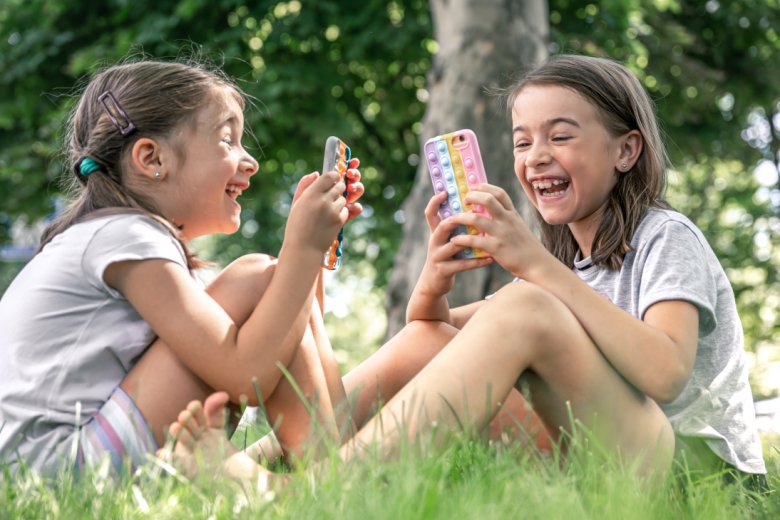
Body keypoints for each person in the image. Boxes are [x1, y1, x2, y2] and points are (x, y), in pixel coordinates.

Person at [163, 54, 767, 491]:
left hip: (690, 479)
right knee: (446, 331)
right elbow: (433, 334)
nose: (537, 158)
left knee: (528, 306)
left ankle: (317, 492)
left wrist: (533, 266)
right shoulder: (567, 268)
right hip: (599, 458)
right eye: (524, 141)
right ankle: (270, 460)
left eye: (561, 136)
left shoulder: (666, 237)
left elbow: (664, 372)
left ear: (626, 150)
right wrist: (433, 282)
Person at [0, 58, 484, 478]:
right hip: (62, 465)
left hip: (68, 455)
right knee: (258, 273)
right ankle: (333, 475)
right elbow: (246, 375)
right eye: (228, 140)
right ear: (152, 158)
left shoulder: (125, 241)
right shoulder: (124, 237)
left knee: (267, 279)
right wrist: (299, 248)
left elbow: (282, 350)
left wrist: (307, 255)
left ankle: (331, 472)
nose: (250, 162)